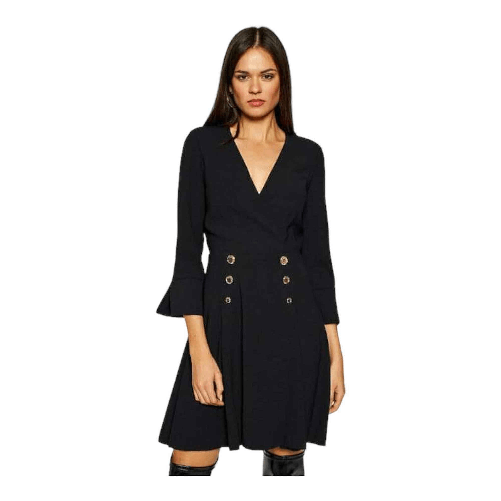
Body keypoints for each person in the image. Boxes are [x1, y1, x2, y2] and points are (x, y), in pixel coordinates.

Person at [156, 26, 345, 476]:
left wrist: (335, 353)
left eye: (266, 75)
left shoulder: (307, 156)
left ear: (282, 82)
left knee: (285, 457)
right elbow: (187, 258)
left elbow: (318, 262)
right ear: (230, 83)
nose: (255, 88)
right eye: (243, 76)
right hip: (220, 322)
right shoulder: (202, 145)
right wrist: (200, 352)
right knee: (191, 456)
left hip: (292, 325)